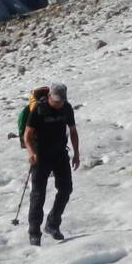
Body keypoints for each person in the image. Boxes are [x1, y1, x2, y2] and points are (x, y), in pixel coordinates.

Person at [22, 84, 80, 246]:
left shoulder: (66, 108)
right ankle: (34, 232)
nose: (59, 103)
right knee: (38, 194)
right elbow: (27, 135)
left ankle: (52, 223)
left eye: (62, 100)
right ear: (50, 97)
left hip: (60, 153)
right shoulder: (39, 109)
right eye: (56, 100)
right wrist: (31, 152)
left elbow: (73, 131)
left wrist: (76, 153)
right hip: (41, 155)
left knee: (66, 188)